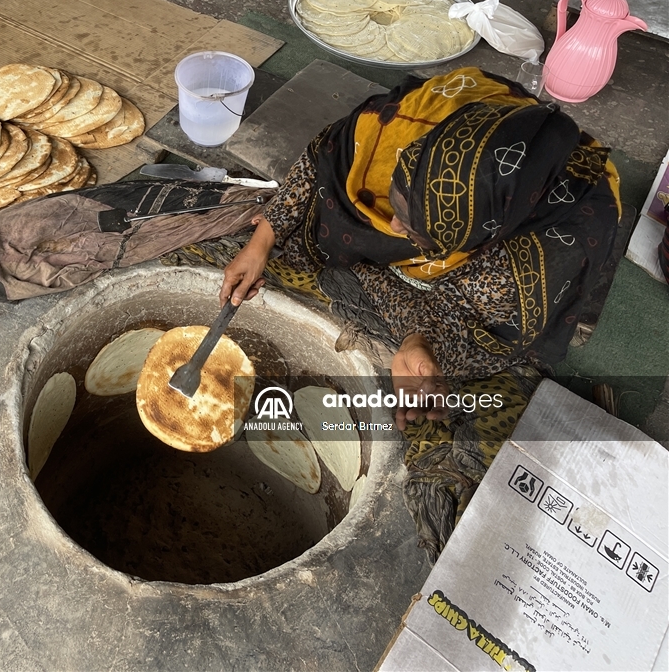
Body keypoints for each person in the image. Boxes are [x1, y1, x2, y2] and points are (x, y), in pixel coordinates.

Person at [205, 67, 621, 559]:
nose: (394, 224)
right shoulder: (409, 129)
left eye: (413, 228)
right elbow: (326, 153)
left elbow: (470, 323)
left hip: (490, 259)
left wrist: (421, 342)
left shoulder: (538, 257)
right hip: (459, 191)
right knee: (316, 239)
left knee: (474, 389)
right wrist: (263, 239)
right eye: (399, 203)